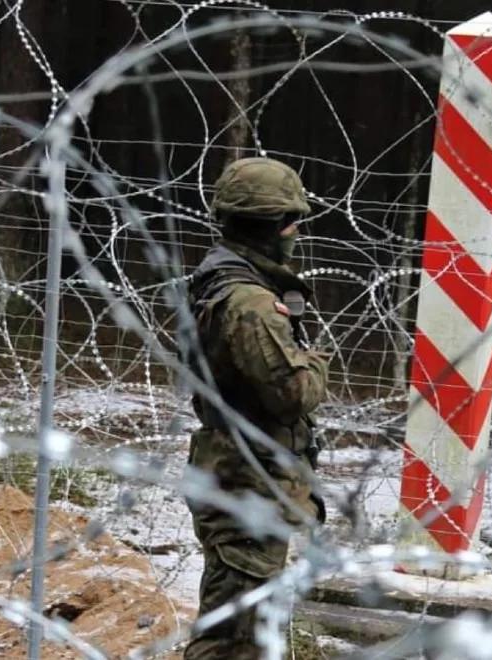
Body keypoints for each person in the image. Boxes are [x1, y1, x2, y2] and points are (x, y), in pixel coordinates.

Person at [183, 157, 328, 659]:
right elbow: (295, 394)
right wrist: (314, 357)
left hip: (242, 471)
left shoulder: (226, 280)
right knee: (232, 641)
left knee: (245, 628)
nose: (296, 232)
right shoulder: (251, 302)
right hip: (247, 479)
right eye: (293, 222)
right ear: (278, 227)